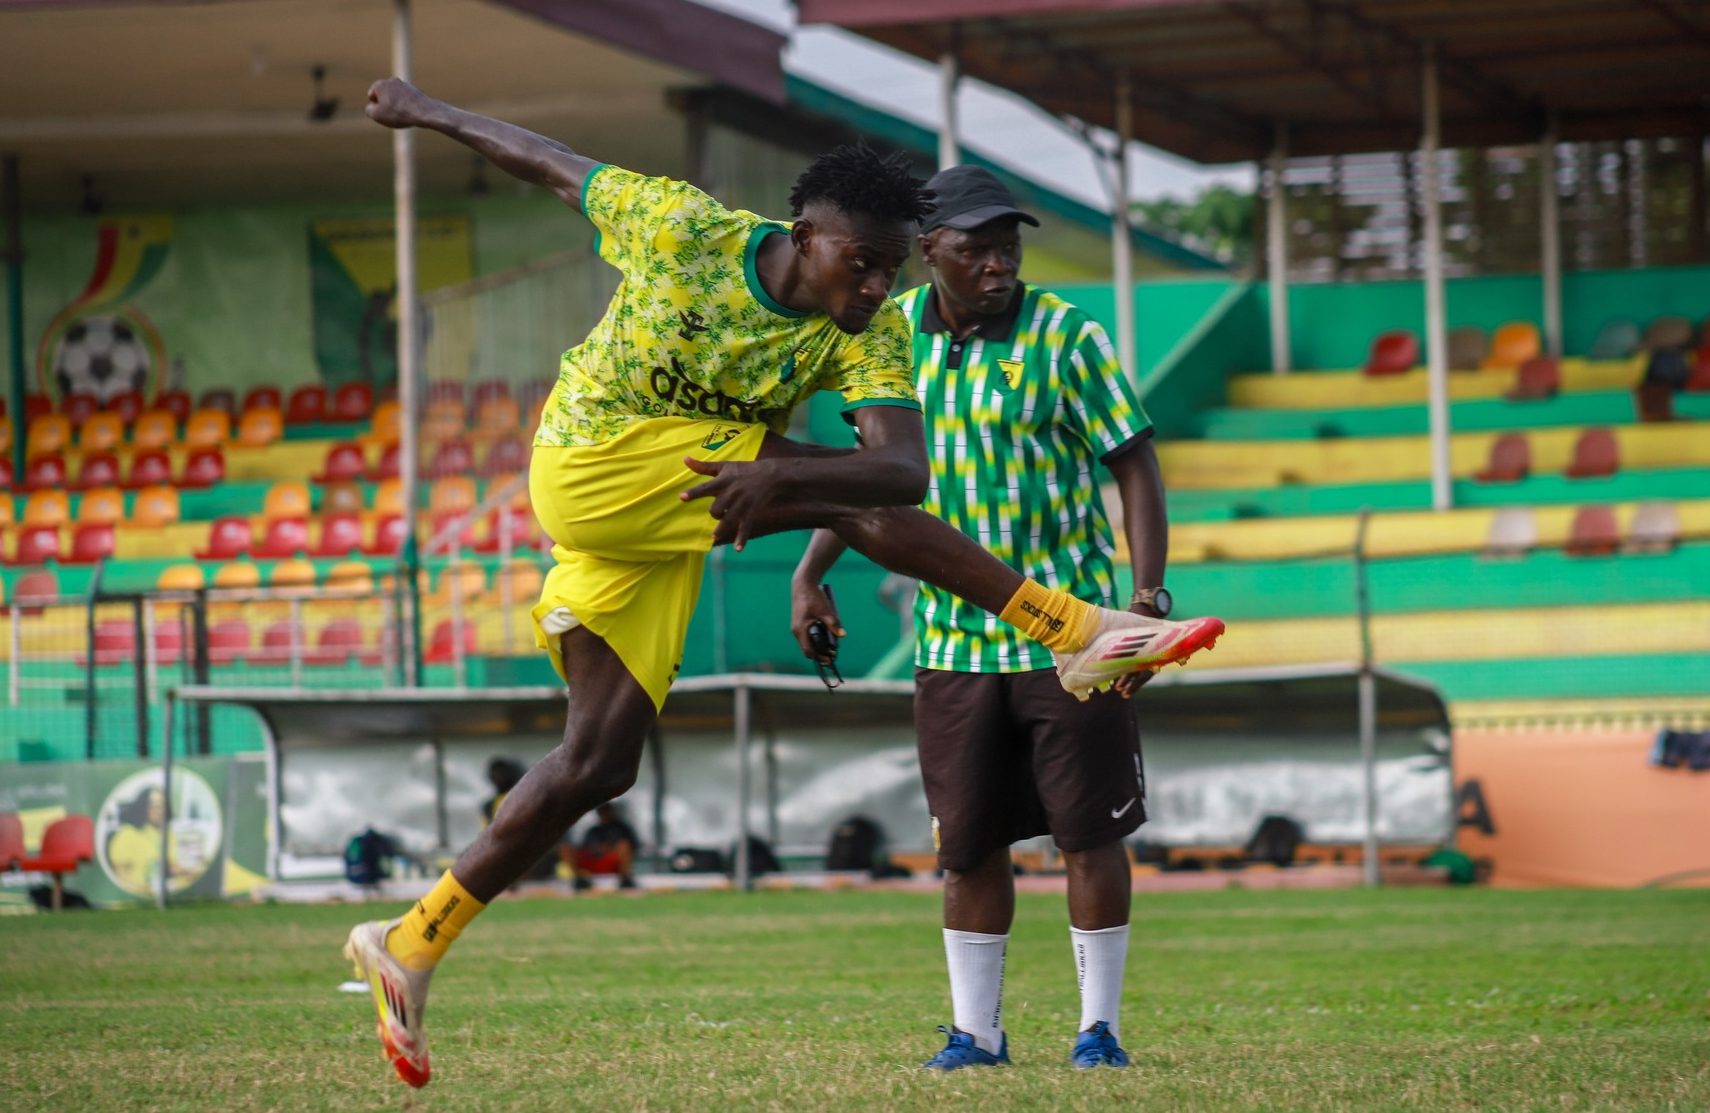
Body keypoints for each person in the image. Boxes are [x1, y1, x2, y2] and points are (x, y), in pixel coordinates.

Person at [344, 77, 1223, 1090]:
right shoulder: (683, 227)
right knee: (840, 496)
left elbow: (902, 474)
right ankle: (1068, 626)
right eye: (860, 263)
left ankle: (411, 942)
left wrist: (786, 472)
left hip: (664, 520)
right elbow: (545, 157)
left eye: (891, 270)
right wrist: (425, 110)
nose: (873, 288)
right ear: (805, 235)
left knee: (598, 760)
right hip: (590, 459)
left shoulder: (876, 329)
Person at [793, 165, 1196, 1071]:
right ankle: (976, 1033)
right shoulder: (888, 342)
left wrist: (1145, 601)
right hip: (949, 645)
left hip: (1072, 639)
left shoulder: (1067, 336)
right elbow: (870, 482)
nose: (998, 264)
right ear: (927, 249)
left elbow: (1134, 463)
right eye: (976, 247)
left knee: (1087, 834)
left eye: (1008, 245)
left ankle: (1100, 1029)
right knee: (966, 845)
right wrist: (814, 575)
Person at [567, 801, 640, 891]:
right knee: (565, 848)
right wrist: (595, 849)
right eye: (602, 810)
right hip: (593, 861)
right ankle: (579, 880)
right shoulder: (593, 830)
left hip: (613, 862)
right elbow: (583, 847)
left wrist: (609, 849)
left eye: (606, 810)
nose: (604, 813)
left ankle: (625, 879)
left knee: (624, 845)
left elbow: (633, 845)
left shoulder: (622, 828)